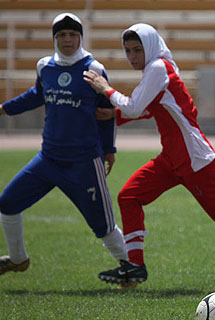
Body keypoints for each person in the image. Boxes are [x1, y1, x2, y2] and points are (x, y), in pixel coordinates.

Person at [83, 23, 215, 288]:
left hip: (194, 159)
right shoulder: (157, 68)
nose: (132, 56)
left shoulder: (158, 67)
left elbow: (137, 107)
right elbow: (153, 108)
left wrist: (106, 89)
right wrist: (114, 114)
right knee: (129, 196)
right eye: (128, 51)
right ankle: (135, 266)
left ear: (149, 47)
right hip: (172, 157)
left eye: (137, 49)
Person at [0, 13, 129, 280]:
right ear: (54, 38)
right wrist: (5, 109)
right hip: (48, 159)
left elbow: (107, 112)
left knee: (103, 226)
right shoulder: (45, 66)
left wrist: (109, 150)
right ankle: (17, 259)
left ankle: (129, 268)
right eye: (61, 35)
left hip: (84, 162)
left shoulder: (94, 68)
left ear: (80, 37)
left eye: (72, 34)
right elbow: (37, 94)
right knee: (7, 203)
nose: (67, 39)